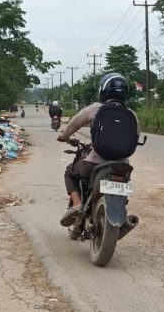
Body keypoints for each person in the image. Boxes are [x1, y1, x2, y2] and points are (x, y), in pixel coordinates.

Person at [56, 73, 139, 227]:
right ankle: (121, 216)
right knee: (123, 187)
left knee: (70, 172)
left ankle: (77, 205)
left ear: (103, 90)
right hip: (122, 166)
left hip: (95, 163)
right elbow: (136, 137)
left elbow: (74, 124)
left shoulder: (95, 108)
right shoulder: (131, 114)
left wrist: (64, 136)